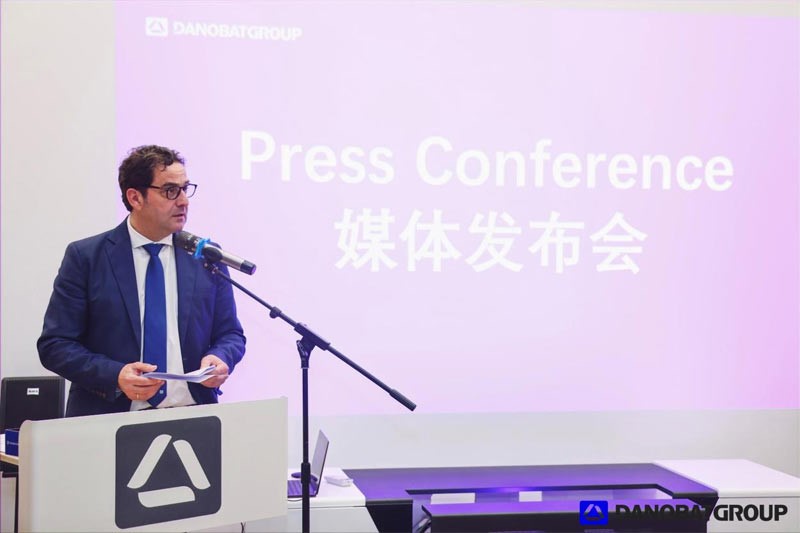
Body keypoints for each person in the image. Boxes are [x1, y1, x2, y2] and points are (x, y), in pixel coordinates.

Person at [38, 145, 246, 416]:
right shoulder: (86, 257)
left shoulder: (205, 257)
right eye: (170, 191)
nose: (184, 201)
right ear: (135, 197)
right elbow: (55, 345)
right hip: (110, 419)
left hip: (193, 416)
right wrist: (116, 375)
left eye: (185, 189)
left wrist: (220, 357)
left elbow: (230, 334)